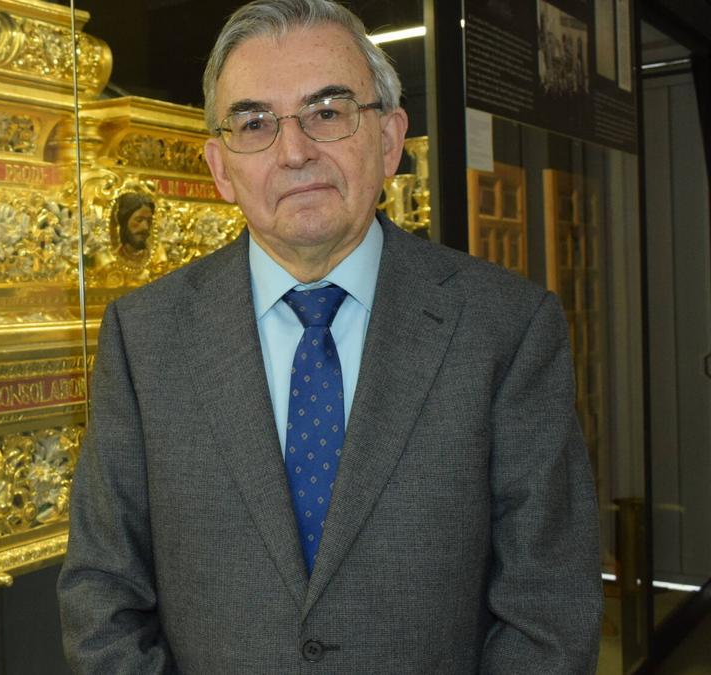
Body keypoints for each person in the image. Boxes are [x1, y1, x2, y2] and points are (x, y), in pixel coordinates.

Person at [57, 0, 603, 672]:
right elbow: (101, 596)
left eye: (328, 111)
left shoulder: (506, 329)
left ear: (390, 138)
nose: (294, 151)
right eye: (254, 122)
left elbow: (548, 606)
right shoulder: (144, 339)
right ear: (220, 167)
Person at [115, 192, 155, 257]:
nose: (146, 227)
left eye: (149, 221)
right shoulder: (113, 258)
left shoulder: (157, 259)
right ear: (125, 222)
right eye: (139, 220)